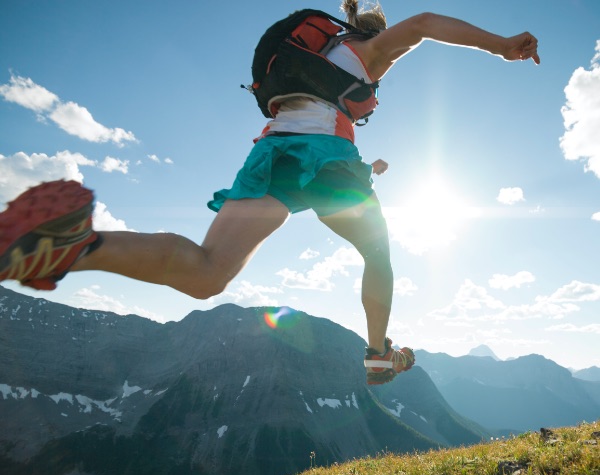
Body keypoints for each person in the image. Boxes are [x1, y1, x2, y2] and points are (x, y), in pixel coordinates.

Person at [0, 1, 540, 385]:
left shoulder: (311, 58)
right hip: (324, 160)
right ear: (370, 34)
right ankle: (378, 353)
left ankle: (73, 243)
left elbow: (316, 123)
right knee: (379, 256)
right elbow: (421, 24)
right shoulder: (369, 52)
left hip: (273, 154)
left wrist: (361, 166)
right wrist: (501, 46)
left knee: (208, 271)